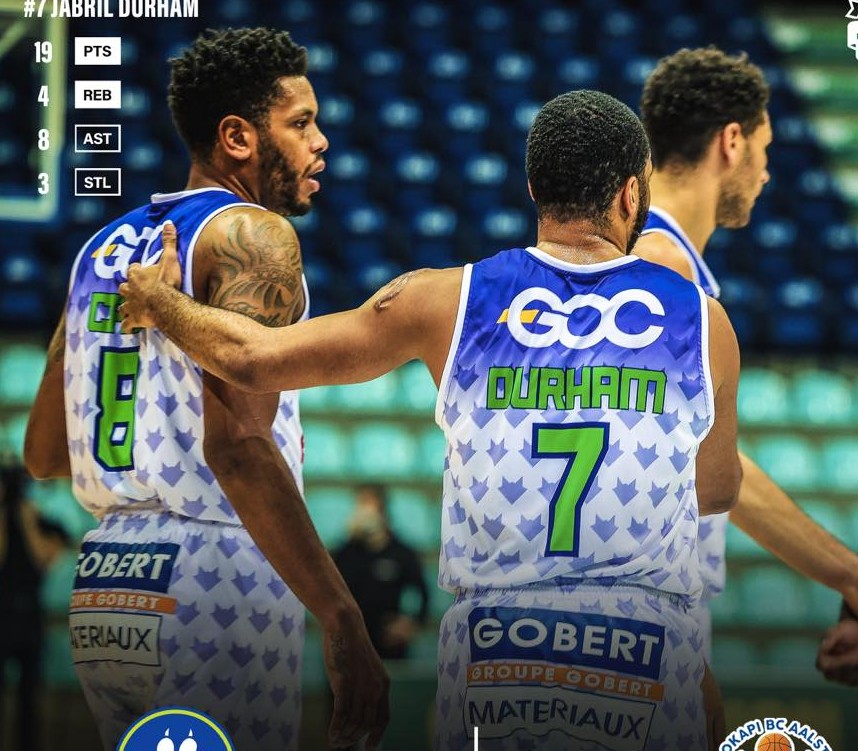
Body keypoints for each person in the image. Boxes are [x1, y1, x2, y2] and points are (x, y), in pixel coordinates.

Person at [118, 89, 744, 751]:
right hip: (646, 647)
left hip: (498, 649)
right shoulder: (705, 323)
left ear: (535, 189)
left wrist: (162, 303)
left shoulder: (446, 299)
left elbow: (252, 358)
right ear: (630, 194)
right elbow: (715, 489)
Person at [23, 27, 388, 751]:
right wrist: (341, 615)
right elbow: (240, 448)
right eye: (301, 123)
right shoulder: (254, 235)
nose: (321, 142)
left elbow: (44, 453)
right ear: (238, 137)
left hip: (106, 580)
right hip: (213, 575)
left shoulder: (101, 249)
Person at [636, 46, 858, 692]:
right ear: (732, 142)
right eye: (765, 149)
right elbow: (701, 467)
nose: (766, 172)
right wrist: (848, 574)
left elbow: (703, 461)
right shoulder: (659, 264)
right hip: (634, 629)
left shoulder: (656, 253)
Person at [0, 461, 70, 751]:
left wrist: (28, 521)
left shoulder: (41, 522)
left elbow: (43, 559)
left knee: (30, 695)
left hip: (30, 616)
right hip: (3, 615)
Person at [333, 484, 429, 660]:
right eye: (360, 505)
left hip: (388, 642)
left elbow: (423, 593)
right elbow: (328, 587)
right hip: (351, 642)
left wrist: (410, 624)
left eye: (368, 505)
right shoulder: (346, 552)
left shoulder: (401, 552)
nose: (364, 512)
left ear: (382, 510)